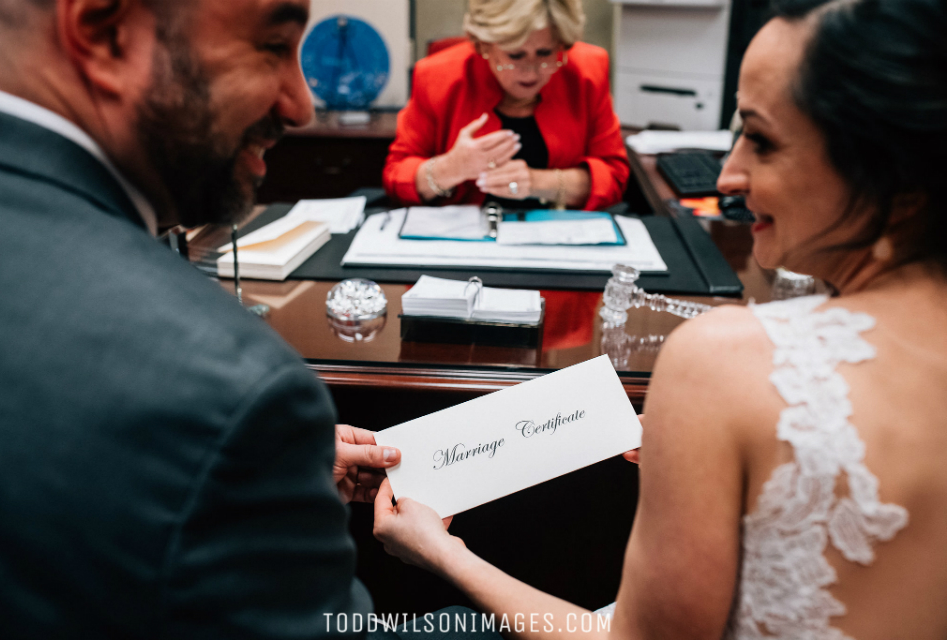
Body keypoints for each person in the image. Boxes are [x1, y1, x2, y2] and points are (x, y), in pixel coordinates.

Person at [372, 0, 947, 638]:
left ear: (887, 167)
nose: (726, 176)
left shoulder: (722, 362)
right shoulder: (439, 79)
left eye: (758, 137)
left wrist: (438, 551)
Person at [0, 1, 406, 637]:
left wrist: (235, 479)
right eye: (272, 47)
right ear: (104, 32)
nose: (301, 104)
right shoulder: (227, 391)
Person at [382, 0, 629, 212]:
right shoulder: (436, 77)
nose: (531, 71)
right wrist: (451, 168)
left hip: (559, 239)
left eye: (545, 53)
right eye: (516, 55)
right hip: (463, 244)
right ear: (483, 44)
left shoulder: (587, 72)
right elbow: (396, 177)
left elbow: (614, 176)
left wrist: (538, 182)